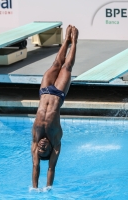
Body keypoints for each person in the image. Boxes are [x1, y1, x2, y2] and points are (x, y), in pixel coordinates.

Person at [31, 25, 78, 188]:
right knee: (66, 67)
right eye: (45, 149)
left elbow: (36, 165)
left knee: (56, 63)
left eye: (40, 149)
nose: (42, 146)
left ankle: (66, 40)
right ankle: (75, 42)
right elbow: (51, 167)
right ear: (51, 149)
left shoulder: (35, 139)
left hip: (44, 91)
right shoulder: (56, 140)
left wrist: (35, 187)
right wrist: (48, 187)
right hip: (58, 93)